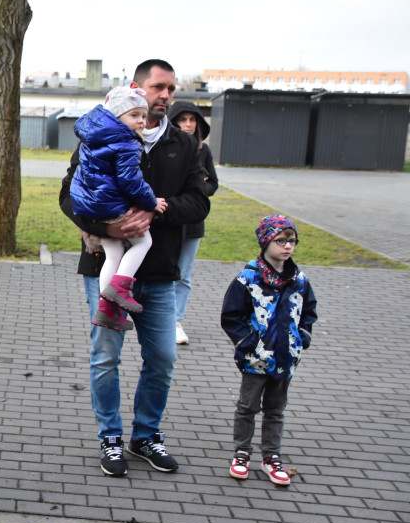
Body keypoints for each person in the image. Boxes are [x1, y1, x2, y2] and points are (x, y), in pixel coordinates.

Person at [60, 59, 210, 477]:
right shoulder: (101, 134)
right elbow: (69, 195)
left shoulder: (184, 145)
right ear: (135, 88)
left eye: (170, 89)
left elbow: (199, 202)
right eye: (158, 87)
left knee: (162, 358)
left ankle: (145, 436)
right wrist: (105, 225)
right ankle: (110, 439)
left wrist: (150, 216)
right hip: (103, 265)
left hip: (159, 271)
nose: (165, 96)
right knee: (105, 358)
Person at [221, 214, 317, 486]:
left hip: (286, 357)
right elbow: (231, 316)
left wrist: (303, 337)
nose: (287, 246)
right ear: (265, 242)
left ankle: (271, 457)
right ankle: (241, 453)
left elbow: (308, 312)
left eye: (292, 241)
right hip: (256, 359)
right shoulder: (248, 278)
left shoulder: (300, 280)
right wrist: (247, 342)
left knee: (276, 409)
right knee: (247, 406)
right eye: (281, 240)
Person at [70, 86, 167, 331]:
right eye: (135, 115)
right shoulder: (126, 142)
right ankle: (121, 287)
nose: (142, 121)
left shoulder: (93, 136)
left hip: (89, 203)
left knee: (112, 254)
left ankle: (106, 310)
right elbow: (130, 181)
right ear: (117, 115)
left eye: (144, 116)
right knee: (143, 243)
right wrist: (152, 202)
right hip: (110, 202)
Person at [168, 101, 218, 345]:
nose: (188, 124)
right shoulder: (166, 147)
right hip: (168, 220)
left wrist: (198, 188)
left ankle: (176, 321)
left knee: (184, 275)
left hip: (194, 223)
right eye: (182, 119)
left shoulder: (203, 151)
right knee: (163, 270)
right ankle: (158, 317)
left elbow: (211, 184)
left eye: (192, 119)